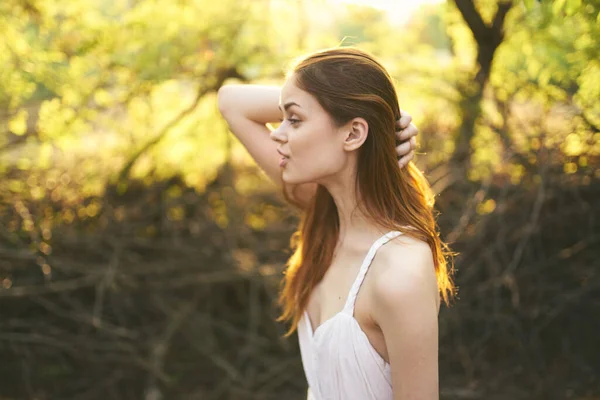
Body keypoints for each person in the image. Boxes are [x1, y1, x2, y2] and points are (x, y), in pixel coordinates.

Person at [217, 46, 455, 400]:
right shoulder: (325, 211)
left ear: (353, 135)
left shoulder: (400, 270)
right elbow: (230, 101)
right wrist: (383, 113)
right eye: (283, 118)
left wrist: (370, 112)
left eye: (294, 120)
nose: (278, 133)